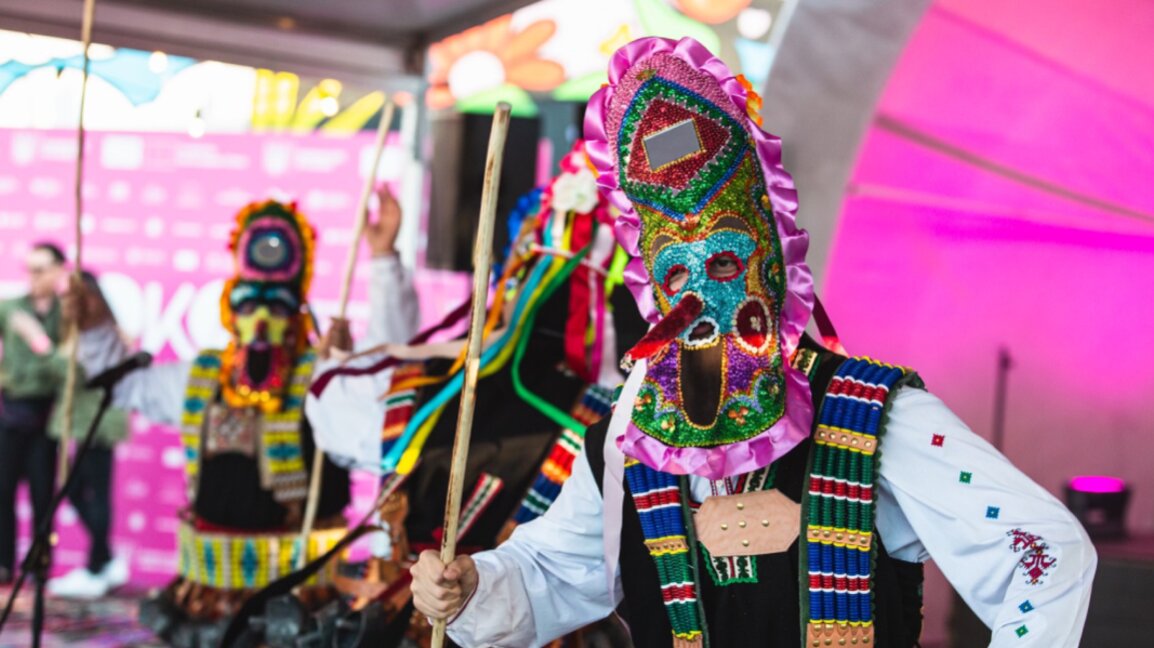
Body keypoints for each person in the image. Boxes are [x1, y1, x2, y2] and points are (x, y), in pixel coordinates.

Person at [409, 37, 1097, 648]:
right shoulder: (630, 438)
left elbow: (1045, 554)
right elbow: (551, 574)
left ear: (770, 258)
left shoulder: (876, 415)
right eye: (677, 275)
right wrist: (472, 587)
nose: (701, 301)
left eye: (724, 263)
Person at [306, 141, 642, 645]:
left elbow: (331, 405)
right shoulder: (620, 426)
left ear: (511, 282)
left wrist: (374, 279)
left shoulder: (417, 388)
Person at [70, 188, 418, 644]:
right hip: (206, 602)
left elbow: (387, 371)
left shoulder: (321, 381)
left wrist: (384, 259)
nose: (261, 319)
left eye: (277, 306)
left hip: (300, 603)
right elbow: (128, 386)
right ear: (229, 308)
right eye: (248, 303)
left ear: (298, 313)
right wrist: (94, 328)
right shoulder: (200, 378)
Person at [16, 270, 134, 599]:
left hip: (96, 423)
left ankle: (100, 565)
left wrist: (37, 341)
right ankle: (104, 559)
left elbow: (75, 372)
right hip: (87, 422)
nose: (65, 304)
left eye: (71, 298)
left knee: (92, 492)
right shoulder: (88, 328)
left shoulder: (97, 331)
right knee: (80, 490)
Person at [0, 242, 66, 585]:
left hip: (47, 414)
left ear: (58, 271)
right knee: (3, 491)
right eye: (28, 269)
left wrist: (38, 340)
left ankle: (40, 566)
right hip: (10, 410)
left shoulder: (67, 314)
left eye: (40, 270)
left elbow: (68, 367)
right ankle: (3, 563)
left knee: (43, 495)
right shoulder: (11, 307)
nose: (33, 277)